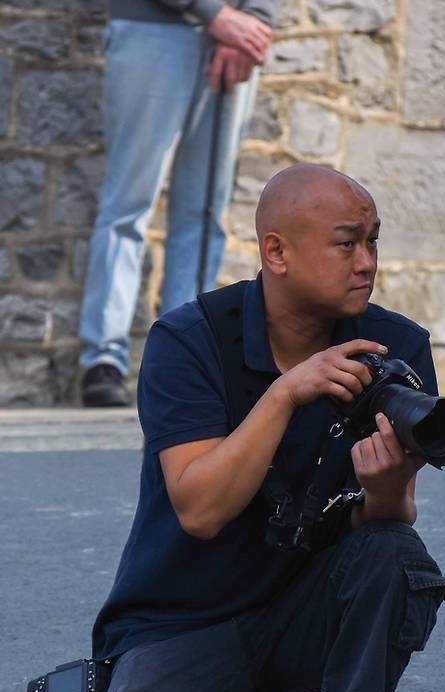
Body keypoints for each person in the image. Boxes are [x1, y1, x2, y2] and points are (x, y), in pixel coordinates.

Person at [54, 164, 445, 692]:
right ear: (276, 252)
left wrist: (389, 486)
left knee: (396, 552)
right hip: (183, 618)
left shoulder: (395, 348)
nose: (366, 262)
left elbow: (384, 524)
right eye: (345, 243)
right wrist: (285, 395)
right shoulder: (190, 341)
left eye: (373, 242)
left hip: (296, 612)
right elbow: (201, 509)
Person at [78, 0, 278, 408]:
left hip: (233, 42)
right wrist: (216, 15)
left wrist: (253, 21)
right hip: (152, 29)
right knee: (128, 207)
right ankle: (103, 359)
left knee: (205, 210)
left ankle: (185, 356)